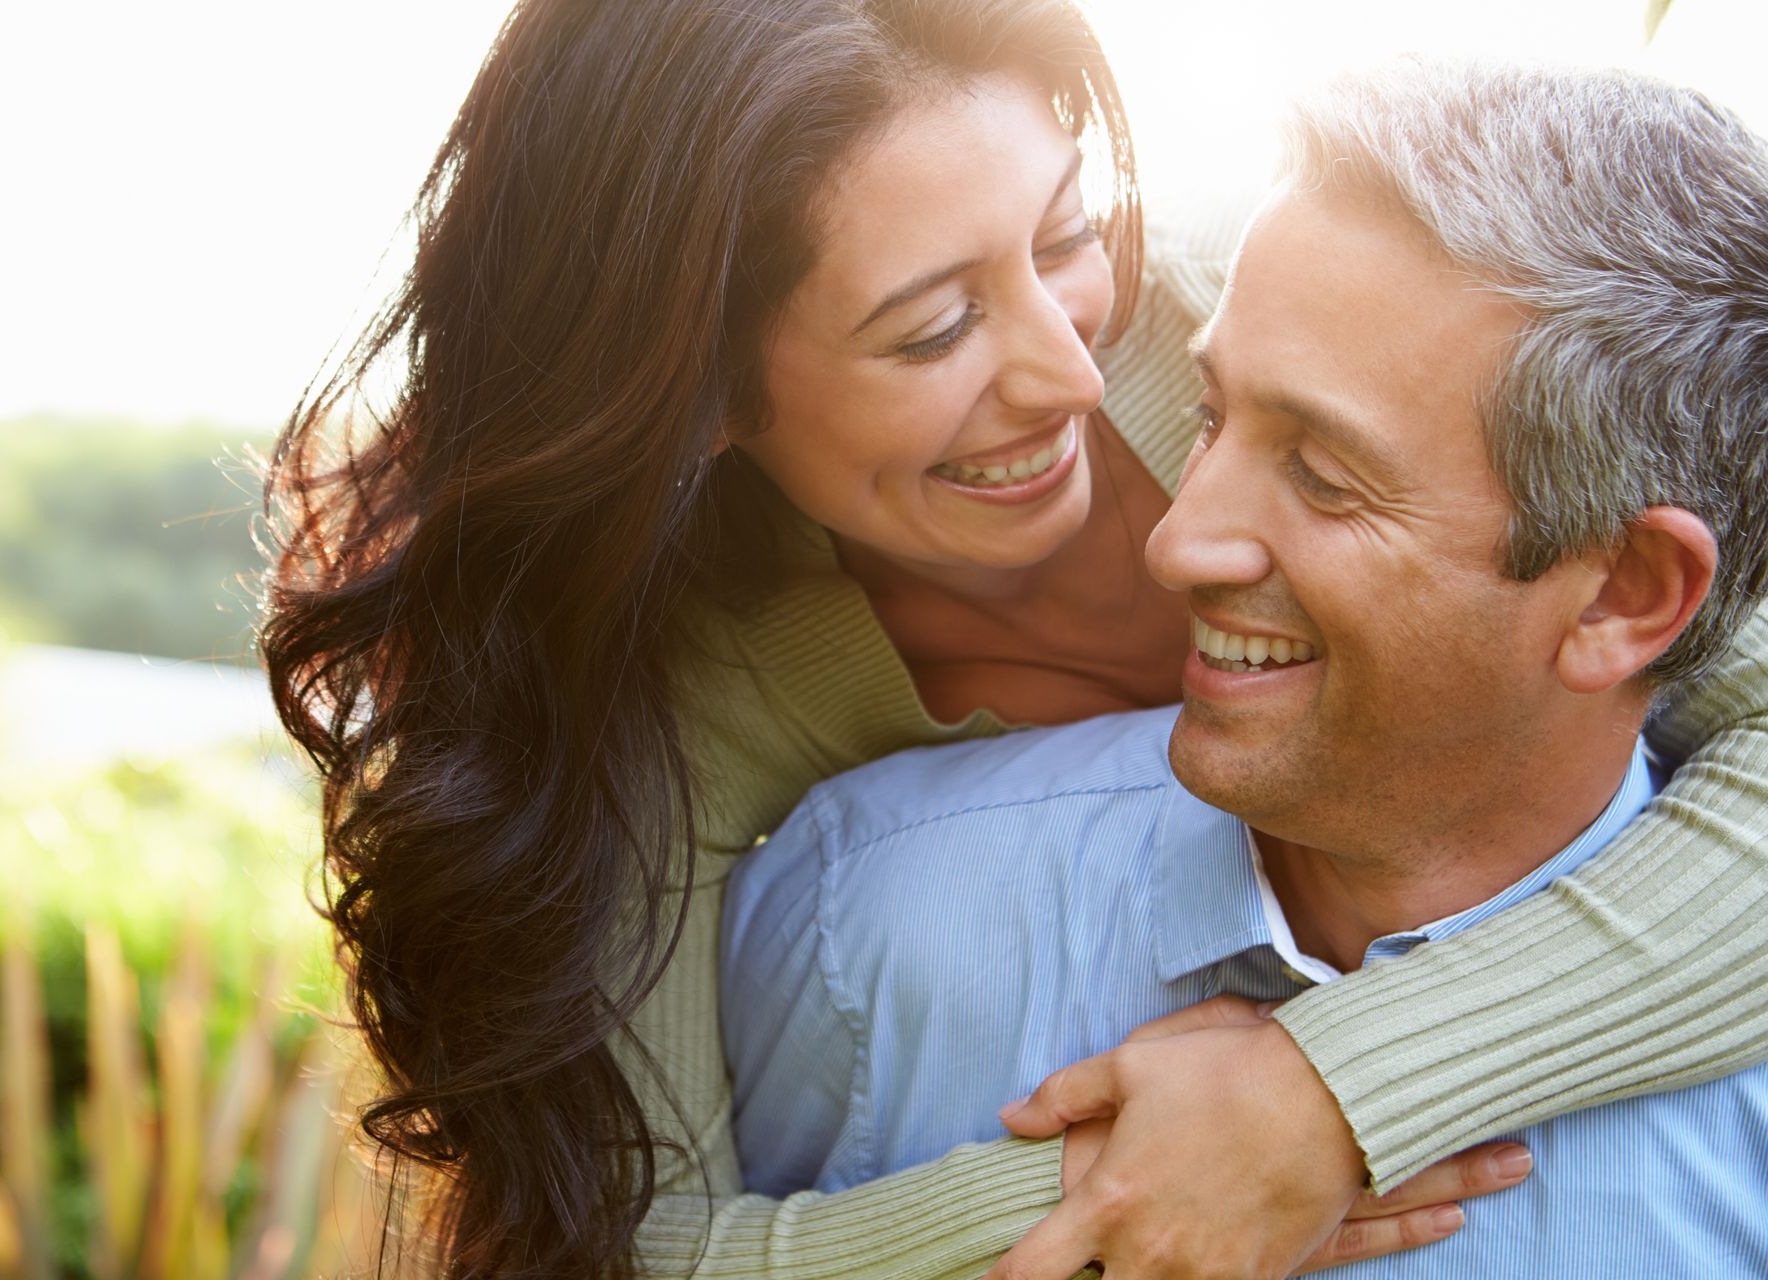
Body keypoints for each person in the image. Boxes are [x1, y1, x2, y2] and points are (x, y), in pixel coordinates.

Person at [256, 0, 1768, 1272]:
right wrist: (1116, 1196)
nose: (1071, 369)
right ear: (700, 390)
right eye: (930, 331)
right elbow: (623, 1244)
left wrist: (1337, 1094)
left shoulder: (1309, 315)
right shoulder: (675, 703)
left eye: (1062, 236)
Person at [724, 58, 1768, 1276]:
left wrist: (1345, 1087)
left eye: (1324, 475)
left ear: (1624, 592)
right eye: (1210, 416)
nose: (1173, 540)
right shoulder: (859, 920)